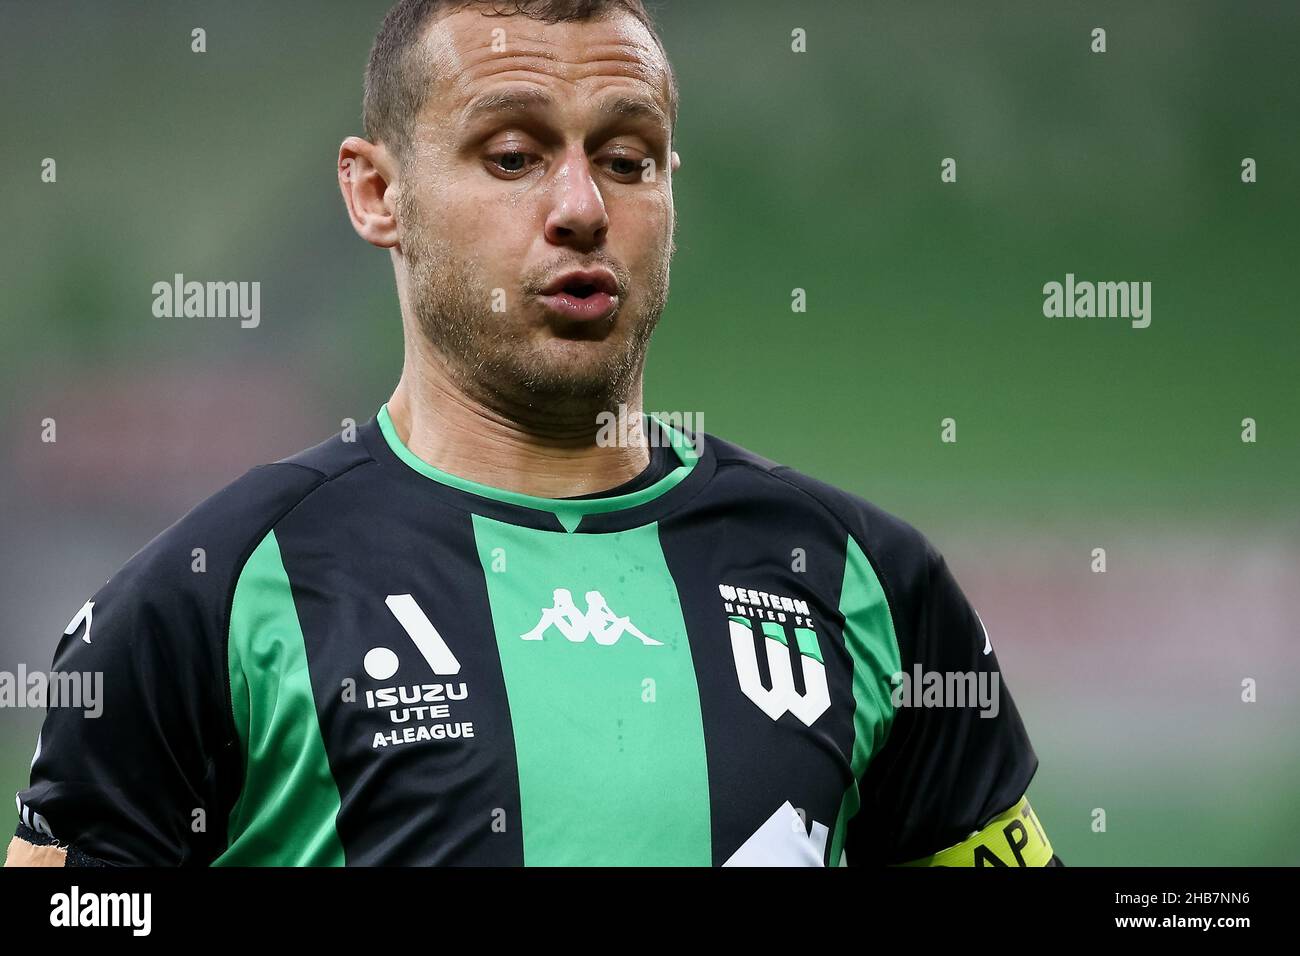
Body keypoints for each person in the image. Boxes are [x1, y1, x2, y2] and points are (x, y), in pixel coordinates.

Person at [7, 0, 1059, 867]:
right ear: (378, 192)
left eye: (629, 158)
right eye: (512, 155)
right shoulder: (207, 597)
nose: (580, 205)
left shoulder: (861, 581)